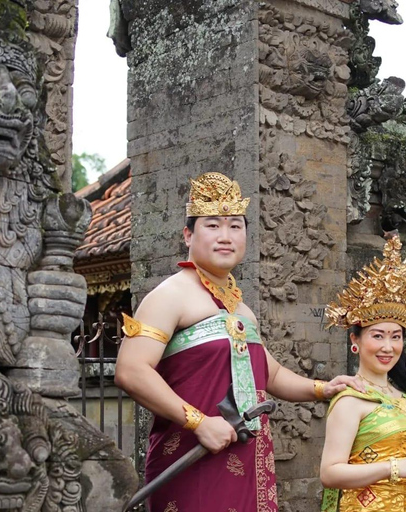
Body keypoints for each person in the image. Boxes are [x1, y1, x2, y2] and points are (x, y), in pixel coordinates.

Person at [115, 172, 363, 512]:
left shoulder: (242, 309)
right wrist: (199, 422)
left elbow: (270, 375)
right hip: (192, 455)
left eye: (235, 226)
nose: (225, 236)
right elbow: (130, 371)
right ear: (188, 234)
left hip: (248, 454)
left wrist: (323, 389)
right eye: (212, 225)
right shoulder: (170, 296)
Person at [319, 235, 406, 512]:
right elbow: (330, 473)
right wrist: (395, 467)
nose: (387, 346)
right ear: (355, 341)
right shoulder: (350, 400)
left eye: (395, 337)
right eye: (378, 335)